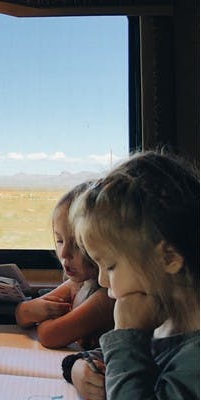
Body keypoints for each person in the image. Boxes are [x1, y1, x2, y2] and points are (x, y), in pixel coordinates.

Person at [65, 150, 199, 400]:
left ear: (168, 258)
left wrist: (126, 335)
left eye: (111, 266)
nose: (103, 281)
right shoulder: (163, 320)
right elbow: (109, 356)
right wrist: (77, 368)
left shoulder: (195, 361)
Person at [15, 182, 114, 350]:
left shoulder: (108, 297)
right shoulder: (77, 284)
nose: (63, 253)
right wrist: (35, 310)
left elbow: (50, 336)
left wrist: (42, 316)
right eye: (60, 241)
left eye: (77, 244)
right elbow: (21, 314)